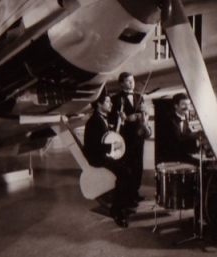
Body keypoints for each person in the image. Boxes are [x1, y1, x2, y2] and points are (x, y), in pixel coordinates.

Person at [83, 92, 135, 228]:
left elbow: (105, 136)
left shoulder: (101, 118)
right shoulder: (94, 121)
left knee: (129, 167)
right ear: (99, 104)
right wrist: (113, 146)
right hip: (97, 158)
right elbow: (92, 147)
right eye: (107, 102)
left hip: (103, 155)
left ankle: (123, 202)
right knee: (124, 173)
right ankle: (116, 211)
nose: (111, 104)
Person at [109, 72, 150, 203]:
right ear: (121, 84)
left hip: (139, 136)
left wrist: (146, 113)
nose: (131, 83)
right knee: (128, 167)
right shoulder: (115, 99)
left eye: (132, 80)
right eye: (127, 81)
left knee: (138, 166)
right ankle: (127, 196)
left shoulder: (139, 96)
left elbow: (144, 116)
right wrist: (126, 119)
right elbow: (111, 118)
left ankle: (135, 192)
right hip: (125, 138)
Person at [160, 93, 200, 164]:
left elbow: (186, 135)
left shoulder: (184, 119)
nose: (187, 107)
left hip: (181, 154)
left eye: (189, 104)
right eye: (184, 104)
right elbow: (177, 143)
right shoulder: (169, 121)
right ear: (176, 105)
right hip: (172, 158)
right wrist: (197, 142)